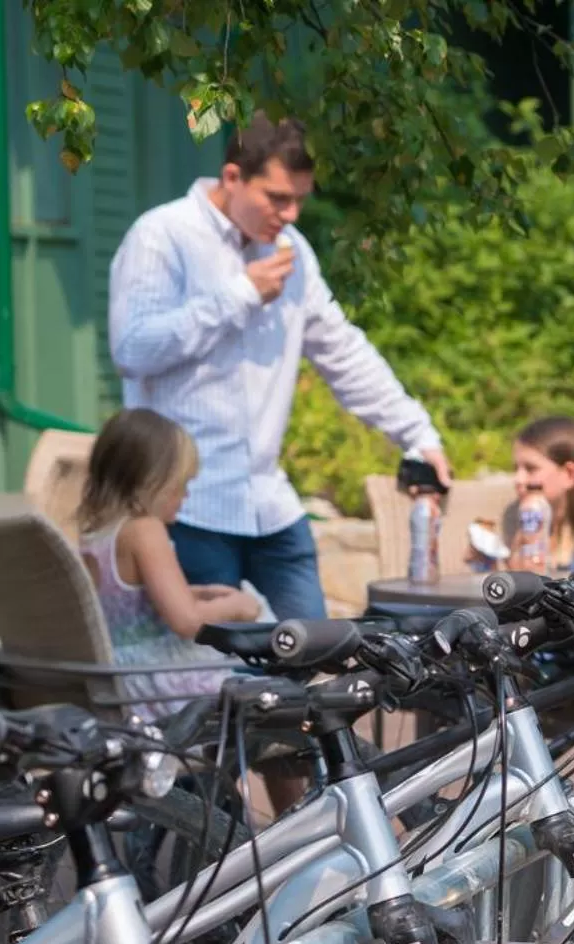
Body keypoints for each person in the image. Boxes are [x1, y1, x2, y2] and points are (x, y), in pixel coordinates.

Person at [107, 112, 452, 622]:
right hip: (187, 506)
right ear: (232, 178)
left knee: (316, 659)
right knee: (221, 682)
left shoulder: (294, 254)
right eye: (277, 197)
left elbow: (342, 351)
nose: (290, 214)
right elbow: (132, 349)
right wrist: (241, 294)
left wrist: (415, 431)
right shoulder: (162, 236)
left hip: (270, 504)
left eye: (300, 200)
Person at [76, 409, 266, 723]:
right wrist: (237, 606)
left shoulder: (96, 535)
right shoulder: (145, 530)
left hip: (124, 686)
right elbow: (187, 622)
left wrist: (193, 592)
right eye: (181, 485)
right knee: (285, 714)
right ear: (151, 483)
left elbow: (125, 603)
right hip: (169, 690)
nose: (186, 496)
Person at [471, 417, 574, 575]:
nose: (518, 479)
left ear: (569, 474)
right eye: (516, 469)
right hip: (552, 605)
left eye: (530, 469)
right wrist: (488, 562)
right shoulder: (523, 520)